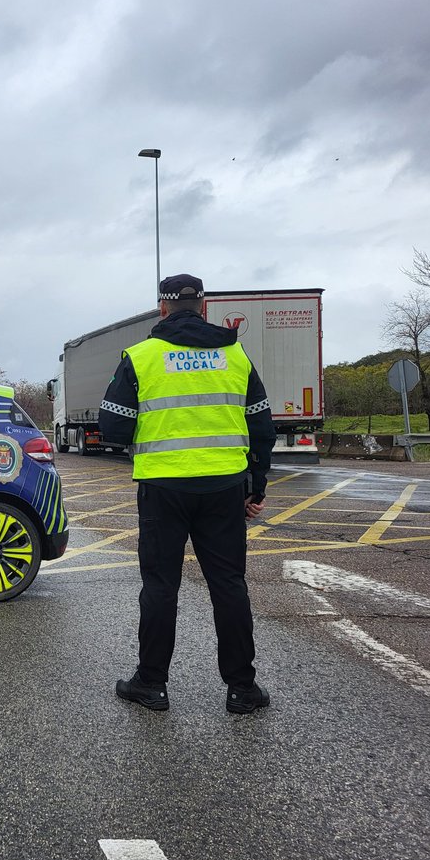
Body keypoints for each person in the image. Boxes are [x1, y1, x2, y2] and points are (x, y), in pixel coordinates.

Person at [99, 274, 276, 714]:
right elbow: (261, 426)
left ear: (162, 308)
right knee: (229, 585)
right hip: (225, 487)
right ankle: (243, 689)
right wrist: (257, 484)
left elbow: (113, 427)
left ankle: (152, 684)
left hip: (164, 488)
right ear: (203, 306)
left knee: (161, 587)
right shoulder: (235, 355)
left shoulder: (141, 357)